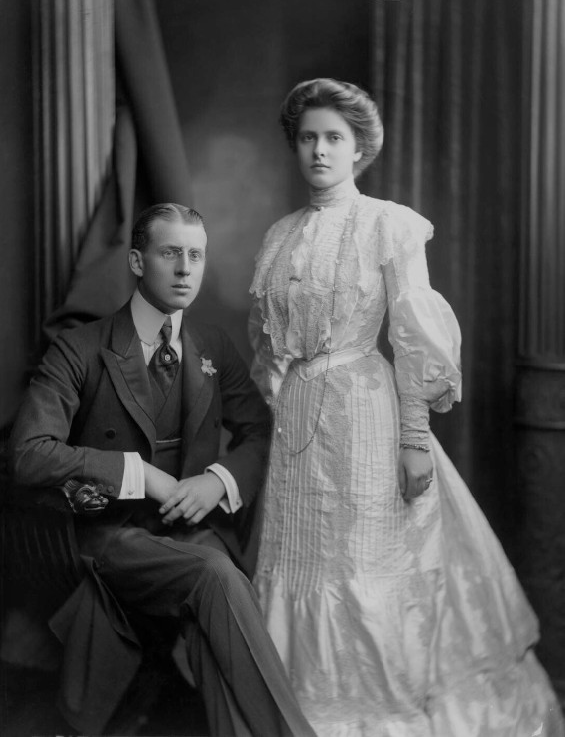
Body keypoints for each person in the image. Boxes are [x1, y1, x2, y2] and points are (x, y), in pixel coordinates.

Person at [248, 78, 564, 736]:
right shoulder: (279, 235)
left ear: (358, 147)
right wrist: (282, 397)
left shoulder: (385, 223)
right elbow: (265, 342)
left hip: (366, 413)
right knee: (303, 561)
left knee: (364, 565)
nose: (318, 150)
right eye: (307, 137)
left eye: (333, 137)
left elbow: (412, 332)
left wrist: (414, 435)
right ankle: (293, 705)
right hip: (301, 421)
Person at [9, 203, 316, 737]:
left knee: (214, 615)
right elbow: (29, 453)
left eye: (195, 255)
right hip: (111, 534)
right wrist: (137, 472)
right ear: (135, 260)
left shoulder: (213, 346)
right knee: (217, 576)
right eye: (170, 253)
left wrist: (217, 480)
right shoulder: (80, 349)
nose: (184, 269)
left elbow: (259, 431)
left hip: (190, 527)